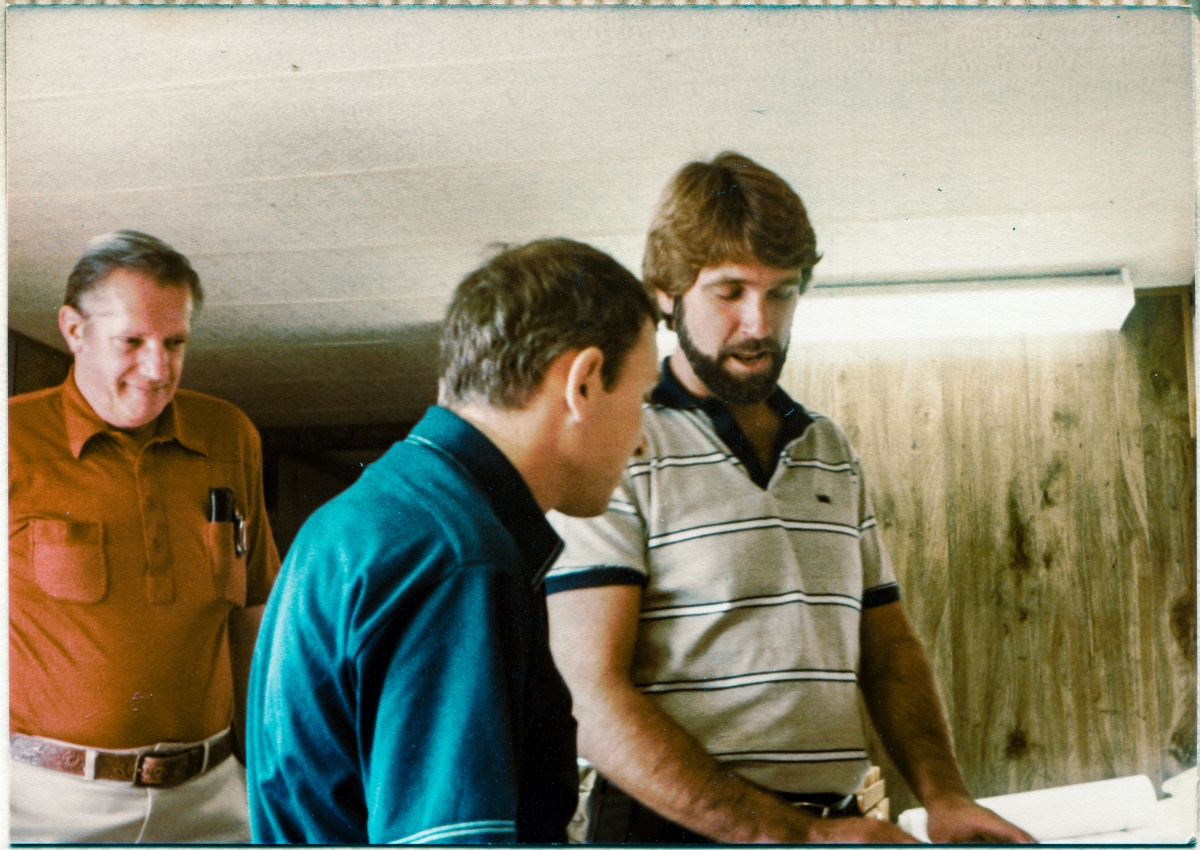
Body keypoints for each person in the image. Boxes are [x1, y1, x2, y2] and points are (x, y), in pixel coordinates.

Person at [544, 153, 1036, 844]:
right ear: (665, 292)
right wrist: (798, 836)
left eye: (783, 292)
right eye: (729, 291)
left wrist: (943, 795)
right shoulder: (617, 445)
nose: (759, 323)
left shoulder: (827, 446)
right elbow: (591, 702)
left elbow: (887, 645)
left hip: (827, 823)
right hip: (671, 829)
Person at [246, 238, 661, 844]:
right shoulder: (459, 558)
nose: (642, 441)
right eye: (643, 398)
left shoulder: (362, 516)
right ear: (585, 382)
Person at [8, 230, 280, 842]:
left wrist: (270, 768)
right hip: (46, 807)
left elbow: (254, 615)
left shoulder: (229, 434)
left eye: (175, 342)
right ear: (74, 331)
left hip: (213, 799)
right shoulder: (13, 440)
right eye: (131, 342)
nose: (158, 370)